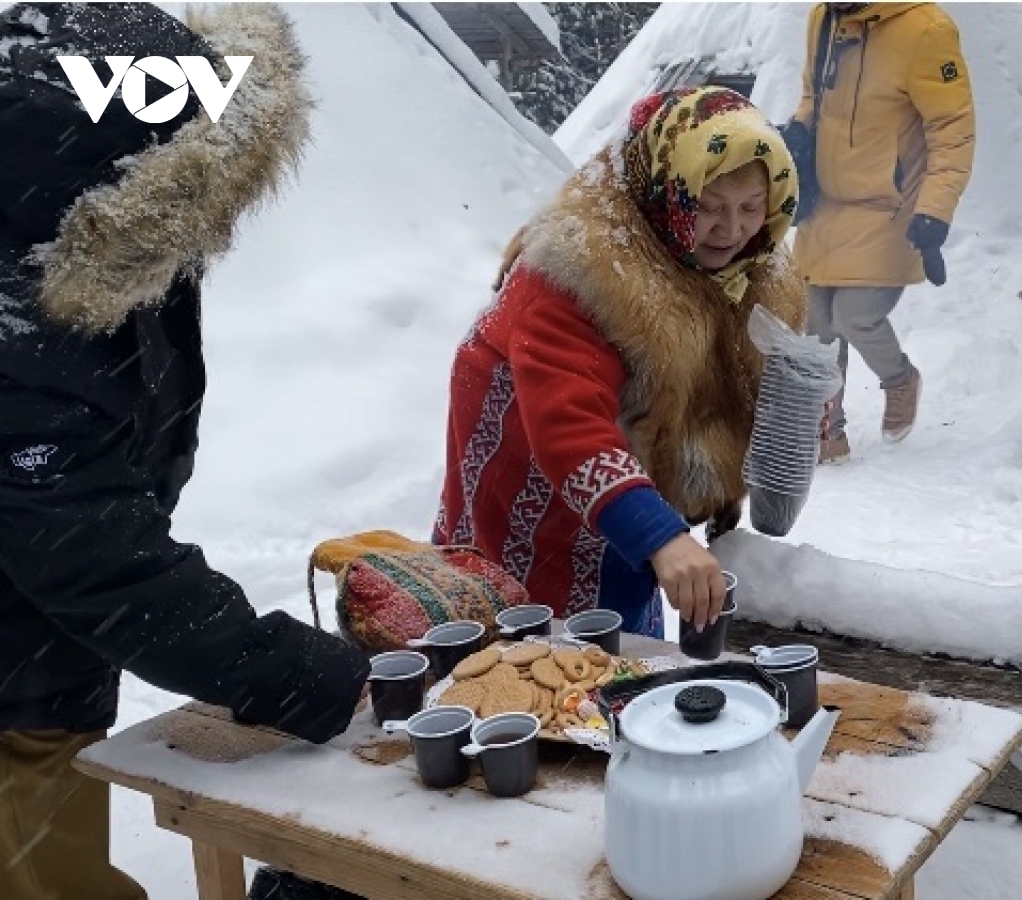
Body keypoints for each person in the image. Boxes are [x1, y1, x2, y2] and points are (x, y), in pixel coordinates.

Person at [0, 5, 371, 898]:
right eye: (196, 190)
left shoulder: (85, 258)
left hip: (43, 660)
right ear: (121, 182)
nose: (211, 224)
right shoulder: (22, 341)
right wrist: (298, 675)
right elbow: (103, 564)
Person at [436, 86, 807, 636]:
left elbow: (727, 376)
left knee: (626, 606)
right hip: (529, 455)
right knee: (530, 629)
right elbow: (571, 426)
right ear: (669, 189)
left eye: (752, 208)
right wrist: (659, 534)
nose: (732, 230)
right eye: (710, 208)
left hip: (626, 453)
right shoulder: (579, 270)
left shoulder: (745, 261)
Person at [780, 2, 976, 464]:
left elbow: (953, 130)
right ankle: (826, 434)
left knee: (855, 315)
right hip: (825, 199)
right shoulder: (823, 17)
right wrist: (798, 132)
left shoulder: (926, 30)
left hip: (890, 205)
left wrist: (935, 210)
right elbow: (812, 93)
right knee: (815, 324)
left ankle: (900, 380)